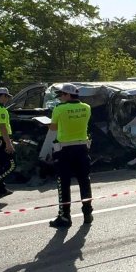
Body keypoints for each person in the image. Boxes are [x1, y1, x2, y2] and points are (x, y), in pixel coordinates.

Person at [49, 83, 94, 228]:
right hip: (82, 148)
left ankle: (65, 217)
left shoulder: (59, 109)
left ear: (68, 95)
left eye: (61, 95)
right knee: (84, 181)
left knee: (64, 183)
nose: (60, 98)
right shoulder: (87, 108)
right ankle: (87, 212)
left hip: (64, 150)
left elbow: (53, 127)